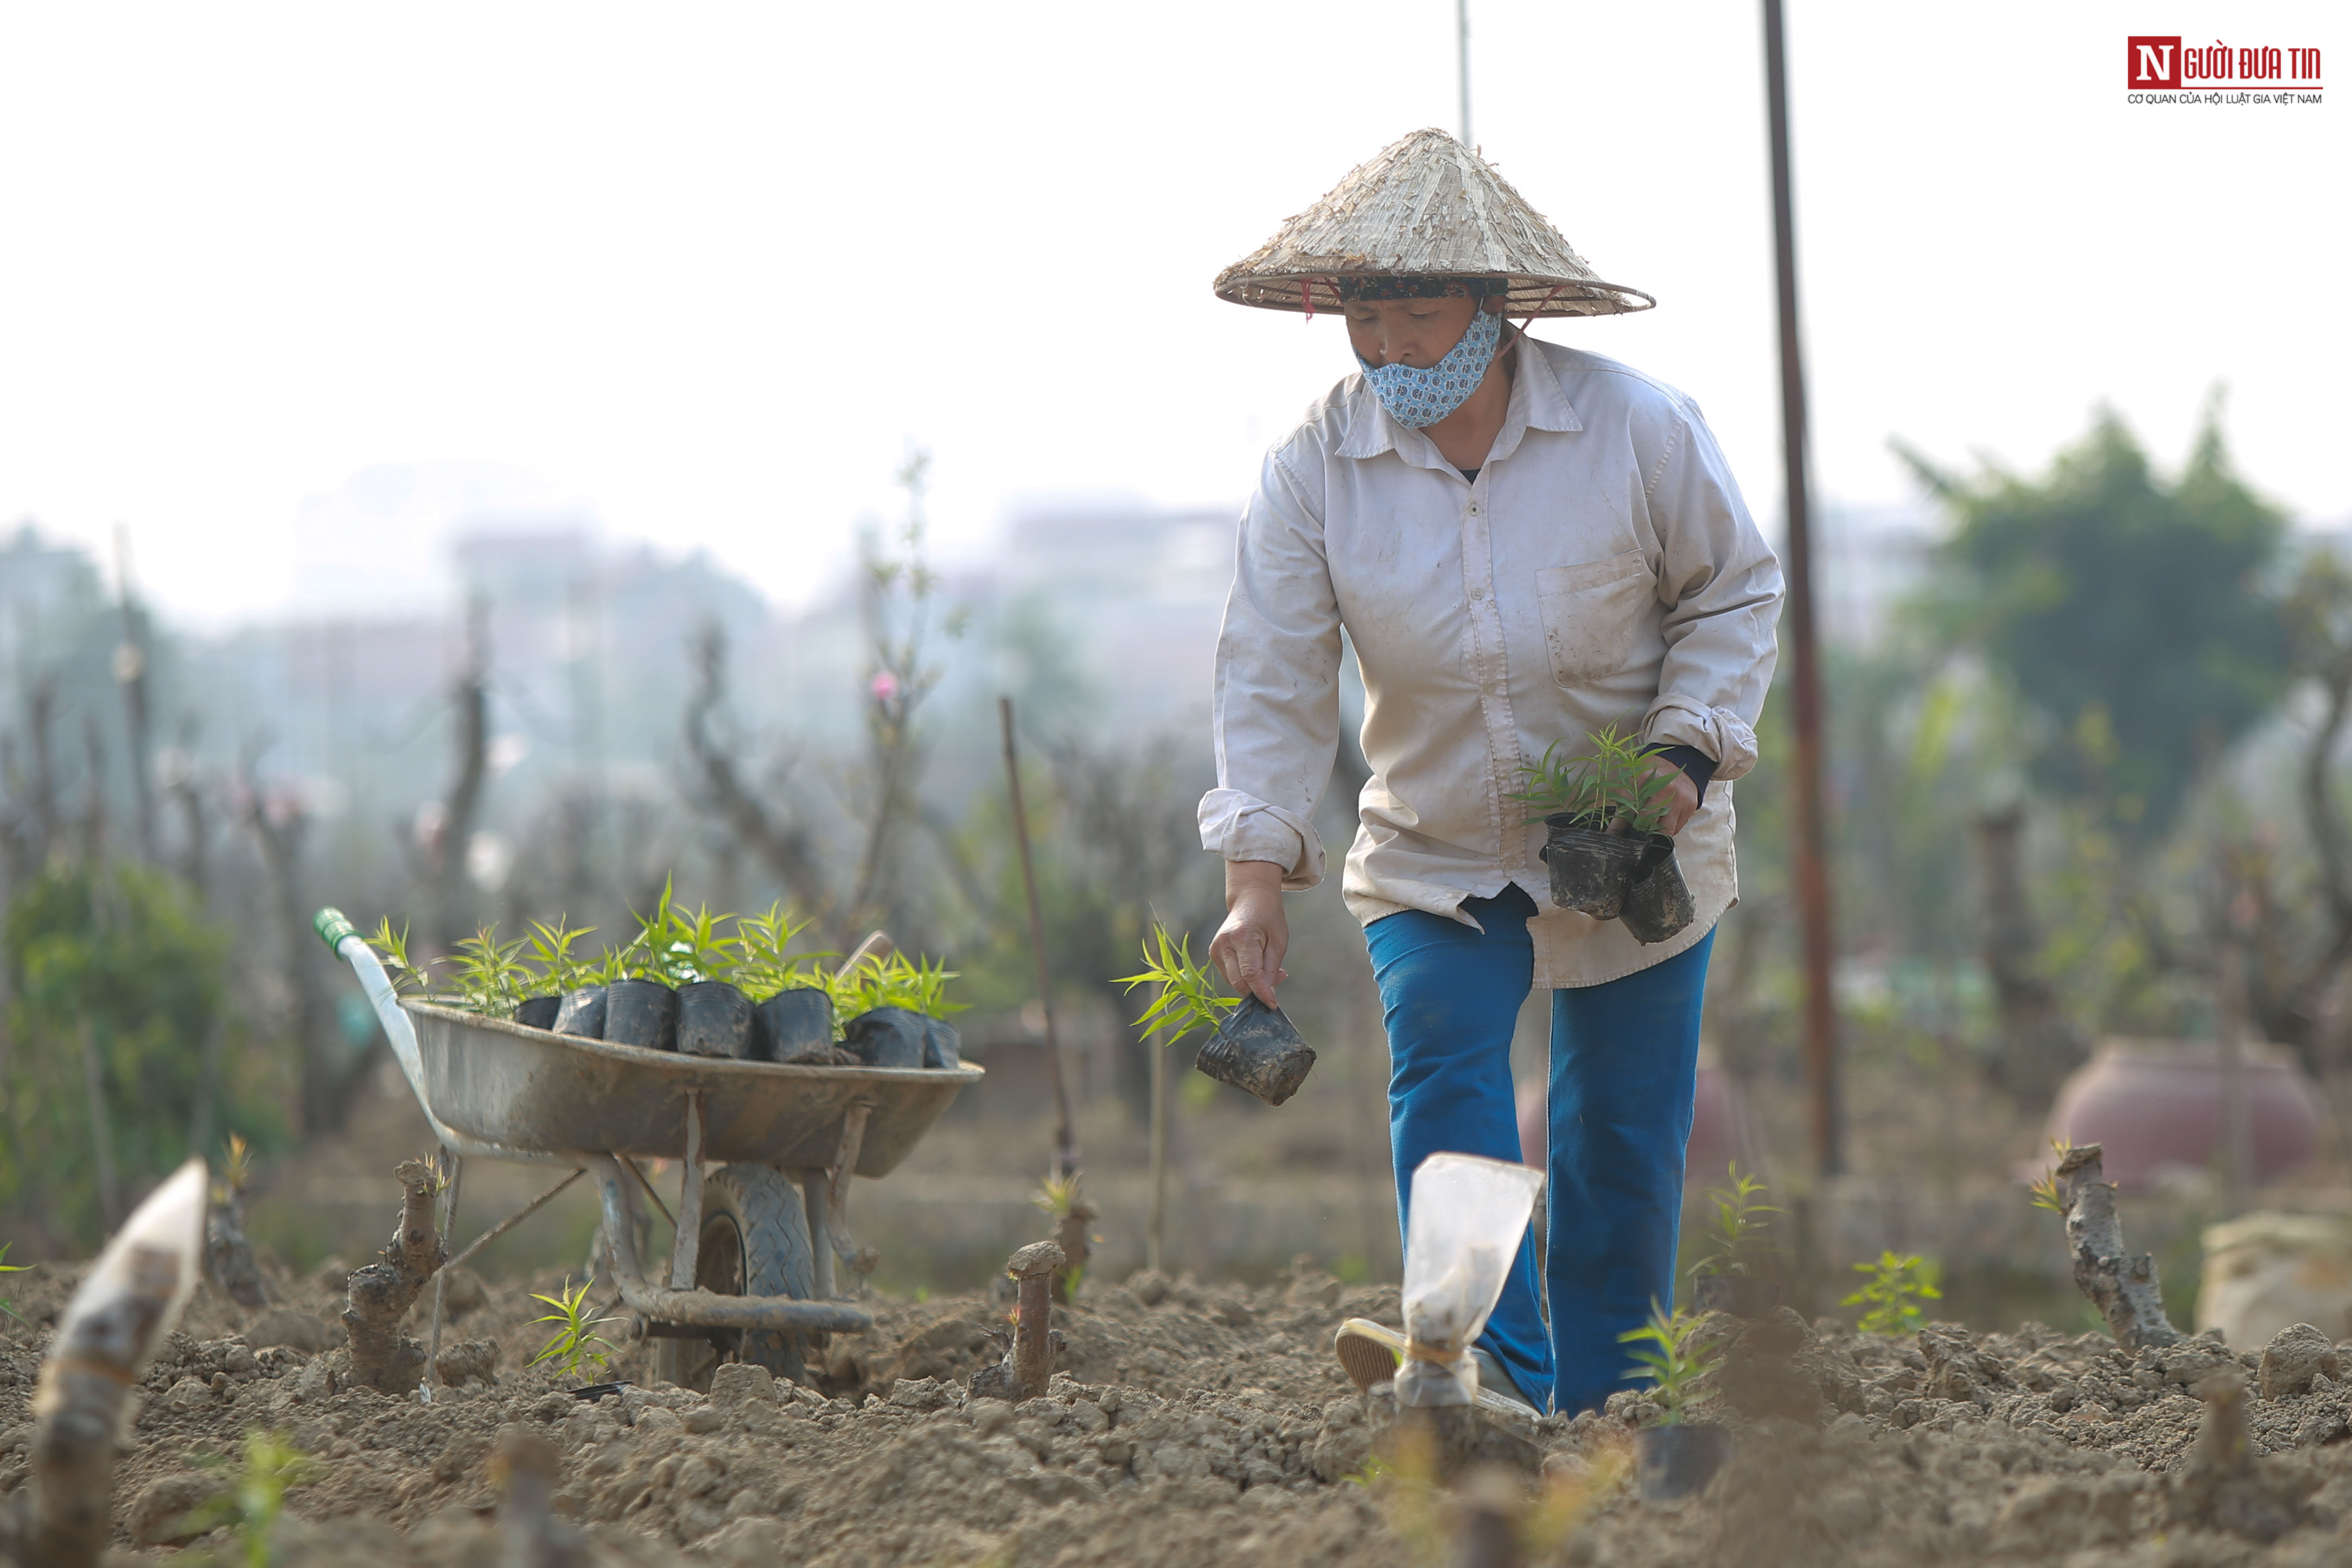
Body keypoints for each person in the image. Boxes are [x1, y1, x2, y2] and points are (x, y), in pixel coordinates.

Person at [1200, 130, 1783, 1417]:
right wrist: (1254, 876)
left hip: (1637, 835)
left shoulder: (1633, 429)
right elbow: (1271, 675)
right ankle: (1484, 1375)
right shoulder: (1313, 472)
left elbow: (1732, 592)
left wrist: (1680, 759)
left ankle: (1609, 1408)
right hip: (1433, 846)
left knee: (1619, 1141)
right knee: (1447, 1075)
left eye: (1422, 310)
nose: (1397, 346)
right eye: (1368, 315)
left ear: (1496, 310)